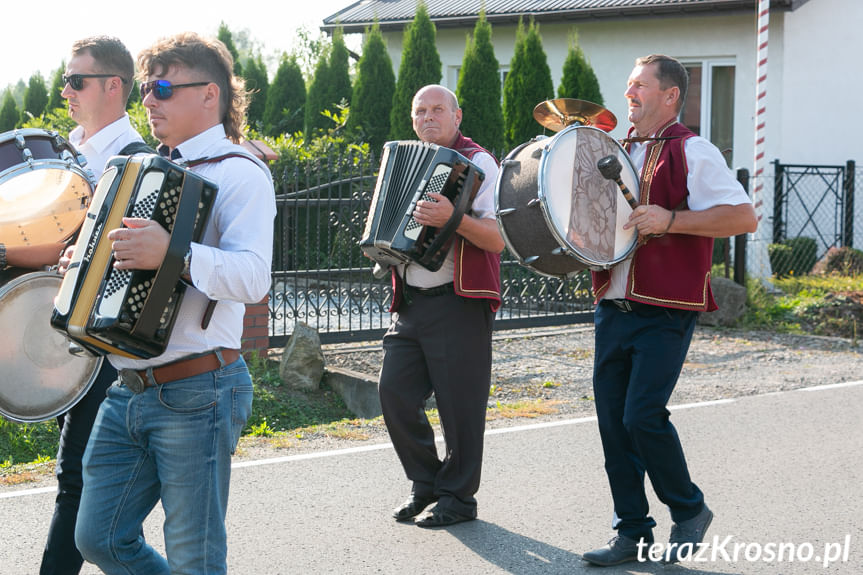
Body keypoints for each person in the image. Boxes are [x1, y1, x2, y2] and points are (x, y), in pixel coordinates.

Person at [71, 32, 275, 574]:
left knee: (195, 557)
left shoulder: (240, 172)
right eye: (144, 89)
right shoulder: (139, 169)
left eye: (162, 88)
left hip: (199, 389)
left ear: (210, 94)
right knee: (99, 539)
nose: (148, 101)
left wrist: (175, 255)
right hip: (127, 389)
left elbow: (254, 278)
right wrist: (85, 258)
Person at [582, 54, 757, 566]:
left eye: (638, 85)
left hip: (666, 308)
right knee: (613, 424)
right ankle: (632, 531)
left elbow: (743, 217)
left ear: (670, 95)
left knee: (641, 416)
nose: (628, 93)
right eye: (628, 84)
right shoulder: (616, 149)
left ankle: (689, 509)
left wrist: (671, 219)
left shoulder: (693, 150)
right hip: (612, 304)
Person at [5, 36, 145, 575]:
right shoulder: (65, 154)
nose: (64, 90)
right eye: (65, 79)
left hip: (102, 345)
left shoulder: (135, 162)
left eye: (76, 81)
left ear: (114, 86)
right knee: (81, 479)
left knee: (77, 479)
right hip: (58, 339)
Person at [378, 84, 504, 528]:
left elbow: (497, 238)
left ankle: (458, 499)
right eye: (420, 111)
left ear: (457, 116)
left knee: (459, 408)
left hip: (459, 300)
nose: (428, 117)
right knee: (393, 393)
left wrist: (451, 217)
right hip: (411, 300)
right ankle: (427, 484)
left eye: (437, 109)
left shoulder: (479, 161)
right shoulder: (404, 158)